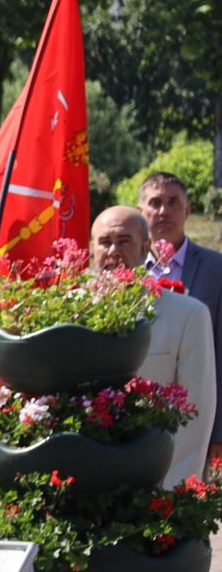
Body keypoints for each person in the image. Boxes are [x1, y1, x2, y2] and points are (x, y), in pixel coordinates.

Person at [91, 207, 217, 487]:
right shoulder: (66, 310)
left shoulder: (187, 315)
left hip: (154, 487)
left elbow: (195, 414)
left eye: (125, 241)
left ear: (146, 248)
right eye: (104, 242)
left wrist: (170, 494)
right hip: (87, 485)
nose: (113, 251)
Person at [141, 170, 222, 382]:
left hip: (198, 393)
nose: (163, 211)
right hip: (136, 400)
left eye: (173, 202)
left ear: (187, 210)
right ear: (140, 212)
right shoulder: (129, 270)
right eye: (155, 203)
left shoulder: (216, 268)